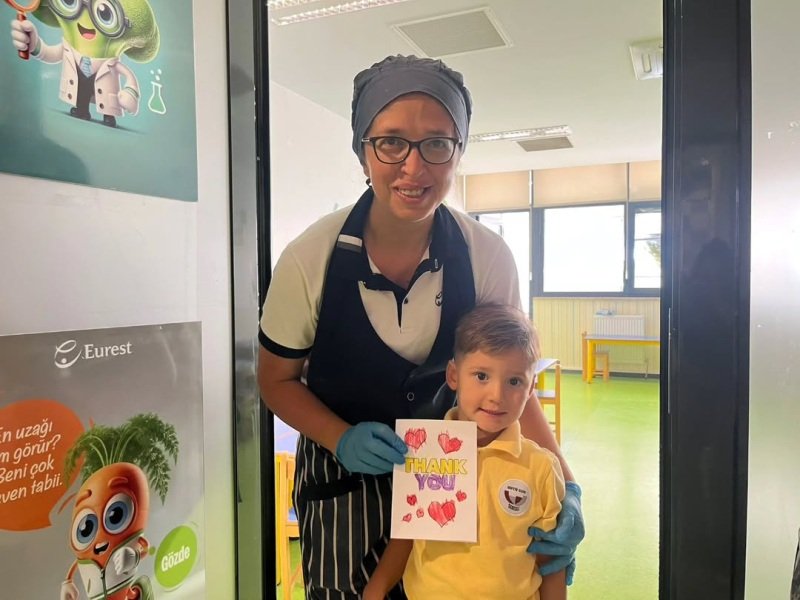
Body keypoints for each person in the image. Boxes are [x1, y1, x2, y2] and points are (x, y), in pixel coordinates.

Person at [257, 54, 584, 599]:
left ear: (458, 152)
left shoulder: (486, 257)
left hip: (455, 472)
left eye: (436, 143)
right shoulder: (309, 258)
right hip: (343, 479)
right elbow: (275, 380)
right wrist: (341, 438)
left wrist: (567, 486)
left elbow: (511, 377)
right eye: (390, 142)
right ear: (363, 151)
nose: (414, 167)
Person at [363, 303, 566, 600]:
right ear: (454, 376)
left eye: (514, 381)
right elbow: (408, 533)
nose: (496, 396)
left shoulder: (541, 468)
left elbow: (551, 561)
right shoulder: (424, 451)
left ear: (531, 387)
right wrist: (376, 588)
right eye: (481, 376)